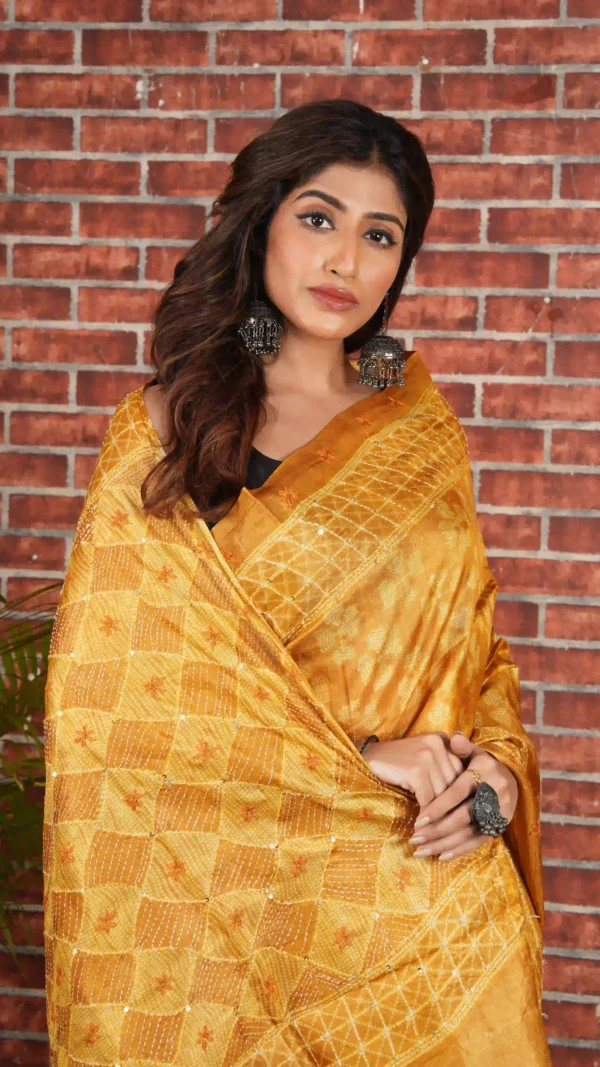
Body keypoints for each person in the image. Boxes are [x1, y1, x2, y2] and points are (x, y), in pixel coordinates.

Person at [43, 99, 550, 1065]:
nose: (344, 260)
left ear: (401, 264)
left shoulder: (415, 424)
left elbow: (474, 640)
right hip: (225, 925)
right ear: (263, 221)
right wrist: (361, 754)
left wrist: (496, 769)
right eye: (319, 218)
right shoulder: (167, 425)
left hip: (422, 904)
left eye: (380, 236)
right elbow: (107, 705)